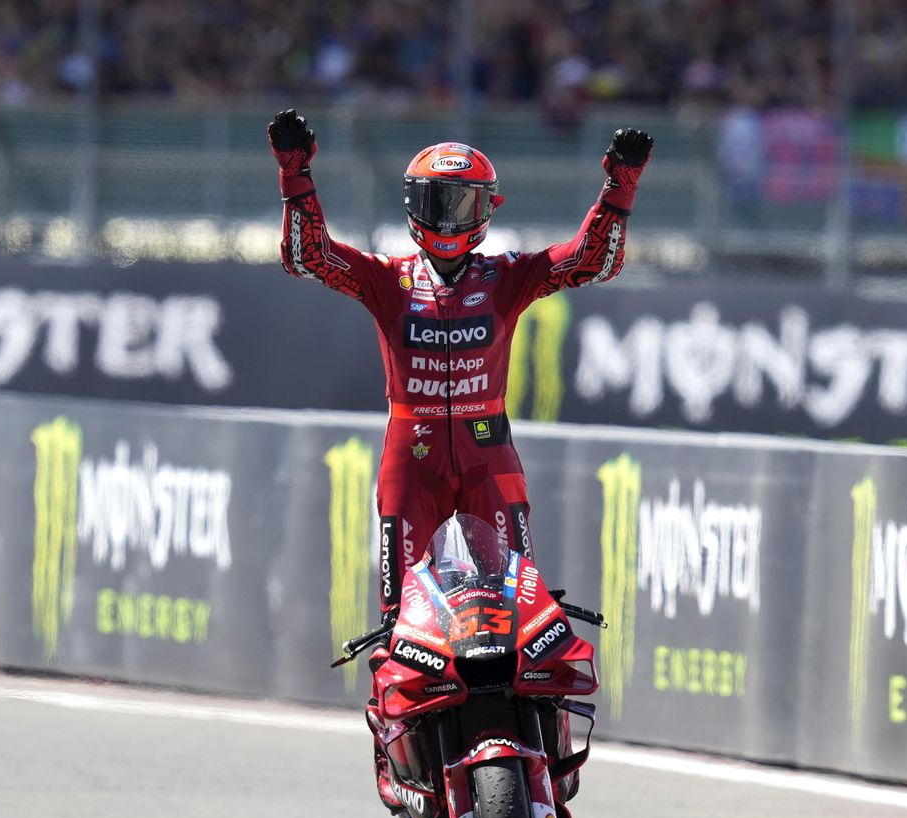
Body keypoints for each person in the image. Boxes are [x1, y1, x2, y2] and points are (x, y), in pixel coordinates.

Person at [268, 108, 652, 612]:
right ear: (411, 204)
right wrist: (295, 176)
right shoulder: (387, 278)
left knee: (518, 597)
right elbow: (307, 258)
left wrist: (619, 186)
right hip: (411, 457)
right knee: (399, 610)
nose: (448, 216)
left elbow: (593, 261)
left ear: (488, 208)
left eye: (463, 202)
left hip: (488, 455)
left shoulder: (507, 276)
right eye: (436, 201)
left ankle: (524, 691)